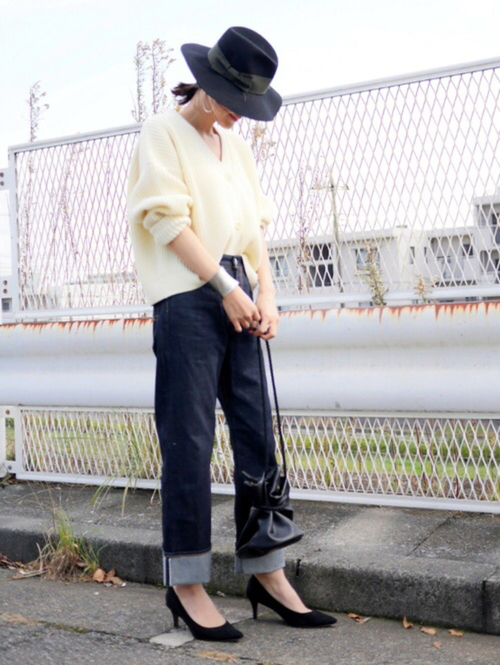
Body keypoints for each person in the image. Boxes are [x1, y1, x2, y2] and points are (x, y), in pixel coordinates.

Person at [127, 26, 336, 642]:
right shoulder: (163, 133)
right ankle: (187, 584)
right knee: (189, 440)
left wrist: (265, 293)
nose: (243, 115)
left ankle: (267, 572)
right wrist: (224, 286)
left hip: (238, 286)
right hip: (188, 294)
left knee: (256, 435)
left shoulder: (235, 148)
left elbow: (253, 234)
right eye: (237, 102)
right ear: (210, 87)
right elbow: (166, 222)